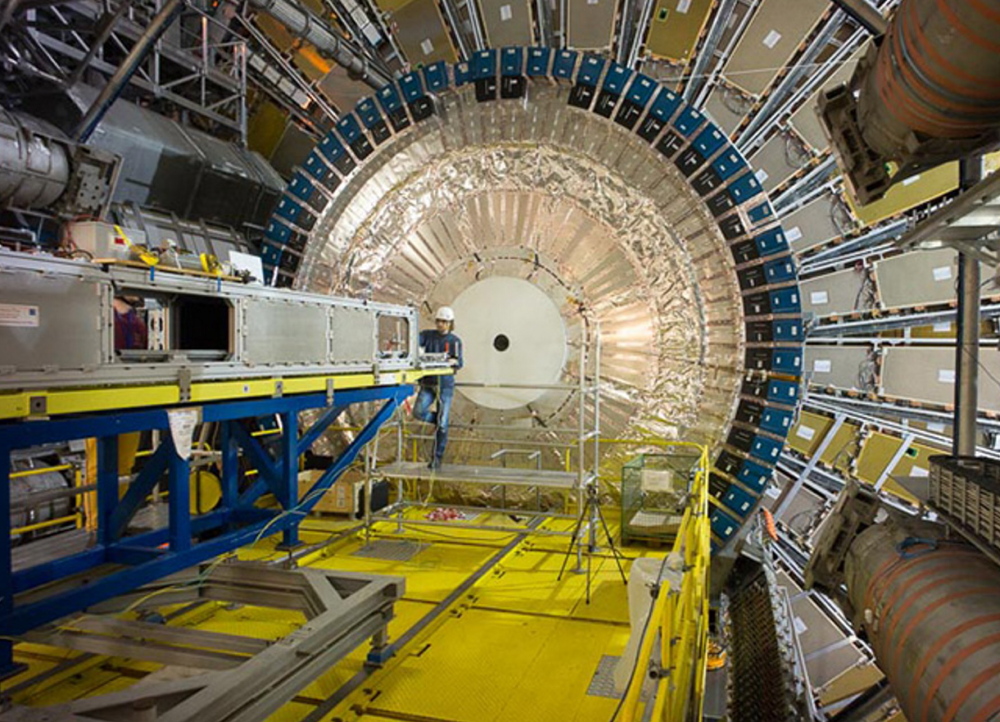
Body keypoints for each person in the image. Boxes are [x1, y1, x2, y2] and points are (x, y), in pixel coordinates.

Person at [413, 306, 463, 469]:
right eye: (439, 321)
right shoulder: (427, 336)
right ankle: (441, 420)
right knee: (418, 412)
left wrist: (452, 363)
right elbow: (413, 341)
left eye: (444, 322)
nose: (441, 324)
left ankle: (437, 459)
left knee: (442, 424)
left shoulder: (454, 341)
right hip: (428, 383)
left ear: (450, 323)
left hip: (445, 386)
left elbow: (459, 363)